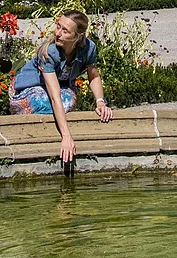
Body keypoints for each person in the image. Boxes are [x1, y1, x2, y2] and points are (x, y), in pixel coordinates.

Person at [8, 9, 111, 162]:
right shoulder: (49, 52)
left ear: (78, 36)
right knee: (45, 102)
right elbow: (54, 97)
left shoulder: (89, 48)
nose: (57, 33)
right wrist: (66, 137)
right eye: (58, 26)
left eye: (65, 31)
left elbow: (94, 76)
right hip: (27, 90)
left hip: (60, 89)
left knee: (68, 99)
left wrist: (100, 102)